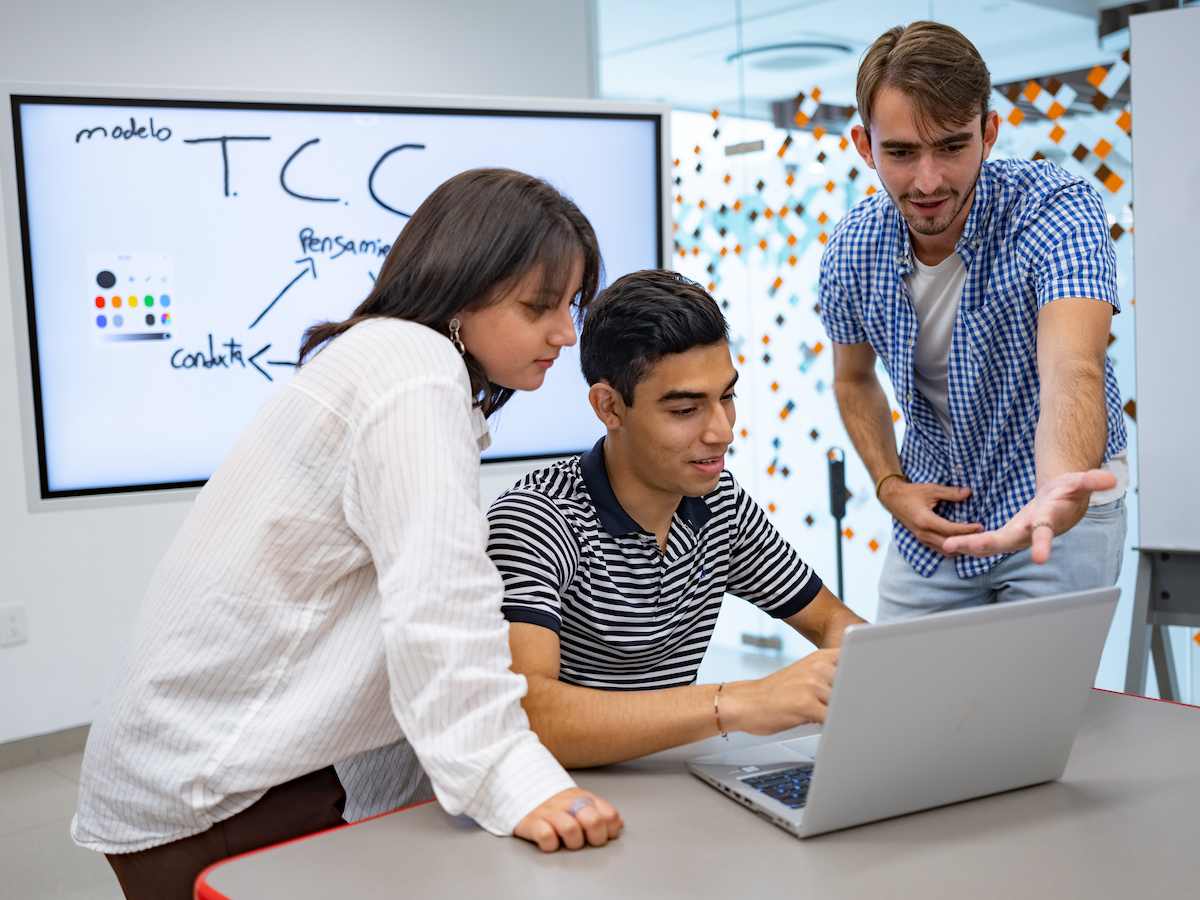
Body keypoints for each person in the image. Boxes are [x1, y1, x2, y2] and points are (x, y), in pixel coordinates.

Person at [71, 168, 623, 900]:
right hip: (210, 783)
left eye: (571, 306)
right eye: (538, 306)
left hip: (205, 758)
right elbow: (439, 603)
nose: (565, 333)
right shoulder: (414, 370)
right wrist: (507, 775)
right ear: (461, 288)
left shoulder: (389, 358)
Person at [485, 270, 864, 768]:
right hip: (558, 806)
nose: (722, 431)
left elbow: (834, 621)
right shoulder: (536, 519)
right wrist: (738, 702)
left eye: (726, 397)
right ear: (609, 406)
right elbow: (531, 715)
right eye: (686, 409)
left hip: (668, 785)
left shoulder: (722, 505)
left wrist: (866, 673)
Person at [819, 22, 1127, 620]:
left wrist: (1058, 489)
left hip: (1052, 509)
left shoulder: (1057, 209)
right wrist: (889, 485)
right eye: (902, 152)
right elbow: (852, 379)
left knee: (1028, 709)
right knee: (904, 699)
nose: (928, 181)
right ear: (864, 145)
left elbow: (1073, 367)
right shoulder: (851, 250)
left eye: (952, 147)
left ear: (989, 133)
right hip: (933, 515)